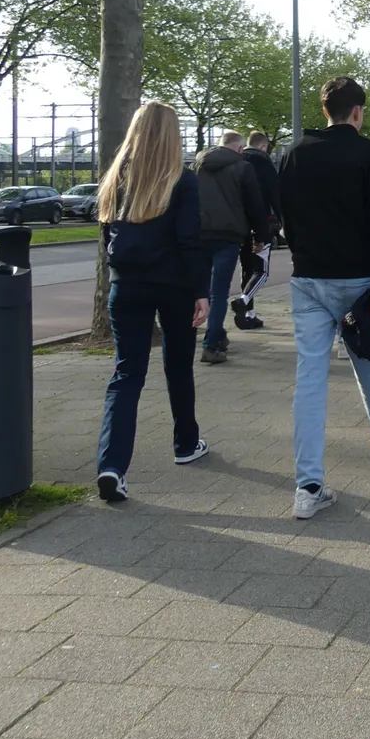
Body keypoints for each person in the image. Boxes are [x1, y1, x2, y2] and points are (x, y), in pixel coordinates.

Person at [278, 76, 370, 520]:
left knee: (310, 379)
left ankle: (308, 484)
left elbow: (287, 219)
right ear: (357, 112)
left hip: (308, 277)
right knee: (369, 363)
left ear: (325, 111)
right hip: (357, 279)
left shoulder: (294, 155)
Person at [94, 102, 210, 503]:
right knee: (178, 366)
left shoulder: (115, 178)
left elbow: (107, 234)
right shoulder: (182, 179)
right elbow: (190, 239)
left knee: (127, 375)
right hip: (174, 285)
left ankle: (111, 466)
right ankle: (185, 443)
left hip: (127, 285)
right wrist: (201, 291)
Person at [194, 130, 269, 363]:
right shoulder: (243, 167)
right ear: (239, 148)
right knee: (218, 292)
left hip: (199, 233)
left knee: (198, 289)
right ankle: (212, 343)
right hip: (228, 235)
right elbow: (254, 204)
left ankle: (198, 336)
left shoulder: (198, 165)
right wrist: (261, 235)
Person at [231, 130, 281, 331]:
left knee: (246, 269)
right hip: (262, 222)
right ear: (263, 146)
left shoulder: (237, 161)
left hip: (240, 224)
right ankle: (243, 301)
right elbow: (274, 193)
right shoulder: (264, 162)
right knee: (261, 270)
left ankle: (248, 315)